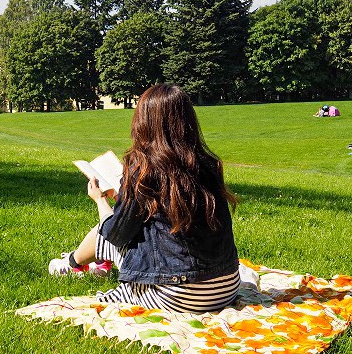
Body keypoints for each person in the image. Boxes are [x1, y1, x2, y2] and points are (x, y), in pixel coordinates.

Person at [49, 84, 255, 313]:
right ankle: (84, 263)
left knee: (105, 230)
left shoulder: (144, 168)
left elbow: (116, 233)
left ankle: (71, 264)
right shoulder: (208, 165)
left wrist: (100, 199)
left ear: (144, 122)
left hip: (179, 295)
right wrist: (125, 198)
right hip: (226, 287)